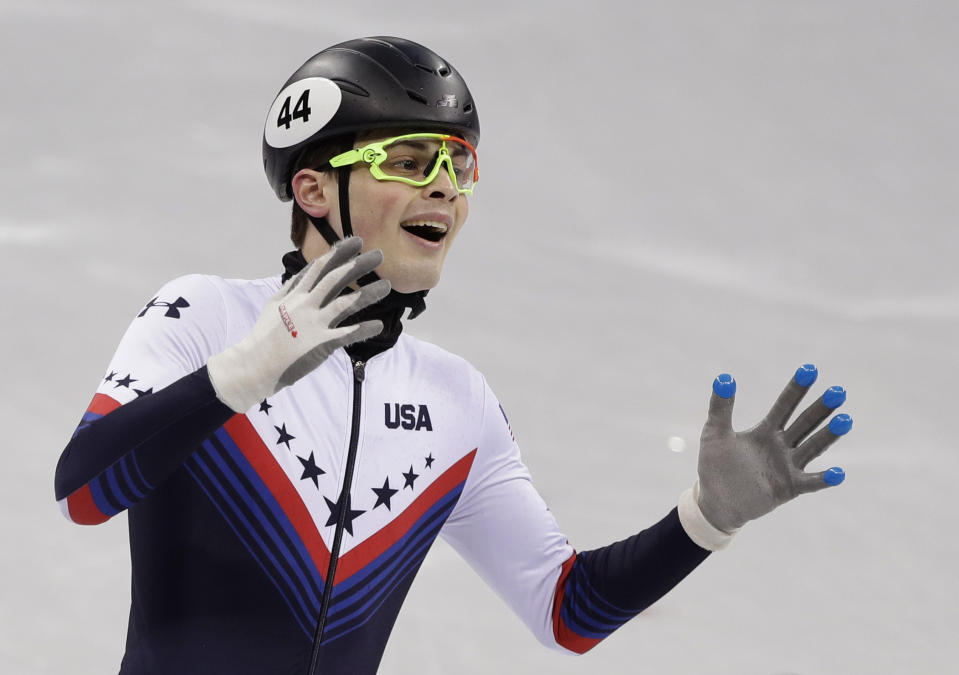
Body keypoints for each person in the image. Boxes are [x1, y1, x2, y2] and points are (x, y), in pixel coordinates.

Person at [53, 36, 852, 675]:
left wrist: (705, 519)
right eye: (408, 161)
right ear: (312, 191)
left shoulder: (453, 400)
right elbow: (83, 492)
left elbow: (564, 612)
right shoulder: (203, 315)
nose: (444, 188)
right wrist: (237, 377)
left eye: (457, 165)